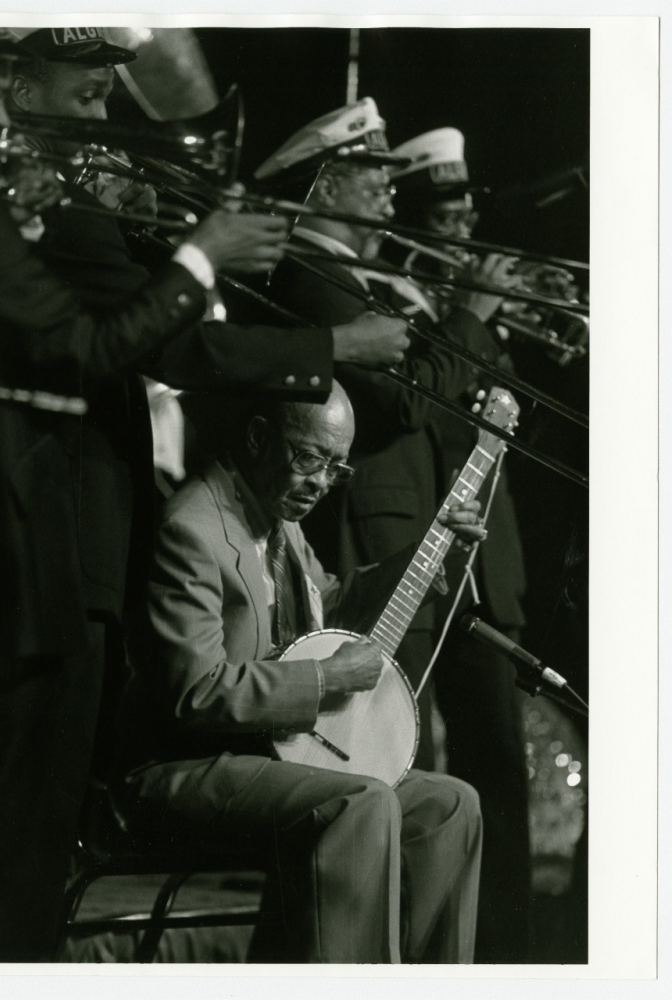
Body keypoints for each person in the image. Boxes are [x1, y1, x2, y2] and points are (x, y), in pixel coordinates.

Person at [0, 29, 410, 962]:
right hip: (43, 538)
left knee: (35, 830)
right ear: (15, 82)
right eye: (87, 94)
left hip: (81, 537)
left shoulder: (58, 204)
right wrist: (299, 325)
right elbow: (147, 346)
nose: (110, 118)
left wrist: (174, 243)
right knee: (19, 840)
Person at [114, 382, 487, 964]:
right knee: (360, 803)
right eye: (309, 458)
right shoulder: (191, 526)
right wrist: (327, 682)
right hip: (186, 764)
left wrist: (421, 559)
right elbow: (196, 692)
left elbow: (329, 610)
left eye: (336, 467)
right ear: (258, 437)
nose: (319, 482)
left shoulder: (277, 517)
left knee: (449, 806)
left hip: (270, 753)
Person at [258, 100, 513, 770]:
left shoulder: (342, 276)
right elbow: (403, 403)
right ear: (328, 186)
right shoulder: (312, 277)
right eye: (375, 185)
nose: (391, 207)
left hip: (417, 522)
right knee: (396, 746)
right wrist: (471, 319)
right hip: (382, 528)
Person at [388, 126, 531, 963]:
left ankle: (509, 960)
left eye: (466, 201)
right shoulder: (403, 299)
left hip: (483, 568)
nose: (464, 216)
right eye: (445, 204)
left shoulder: (459, 309)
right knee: (418, 774)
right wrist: (472, 321)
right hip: (418, 563)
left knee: (499, 778)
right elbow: (424, 415)